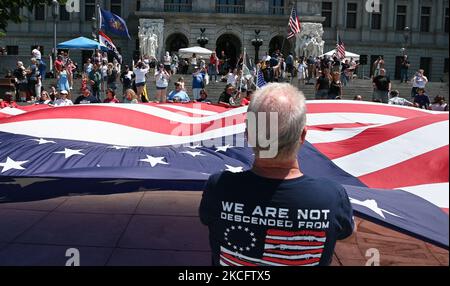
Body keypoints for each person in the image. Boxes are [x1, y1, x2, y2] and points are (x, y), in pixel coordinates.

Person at [199, 83, 354, 266]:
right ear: (303, 135)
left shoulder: (219, 187)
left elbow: (206, 218)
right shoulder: (332, 196)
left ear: (249, 134)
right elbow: (345, 233)